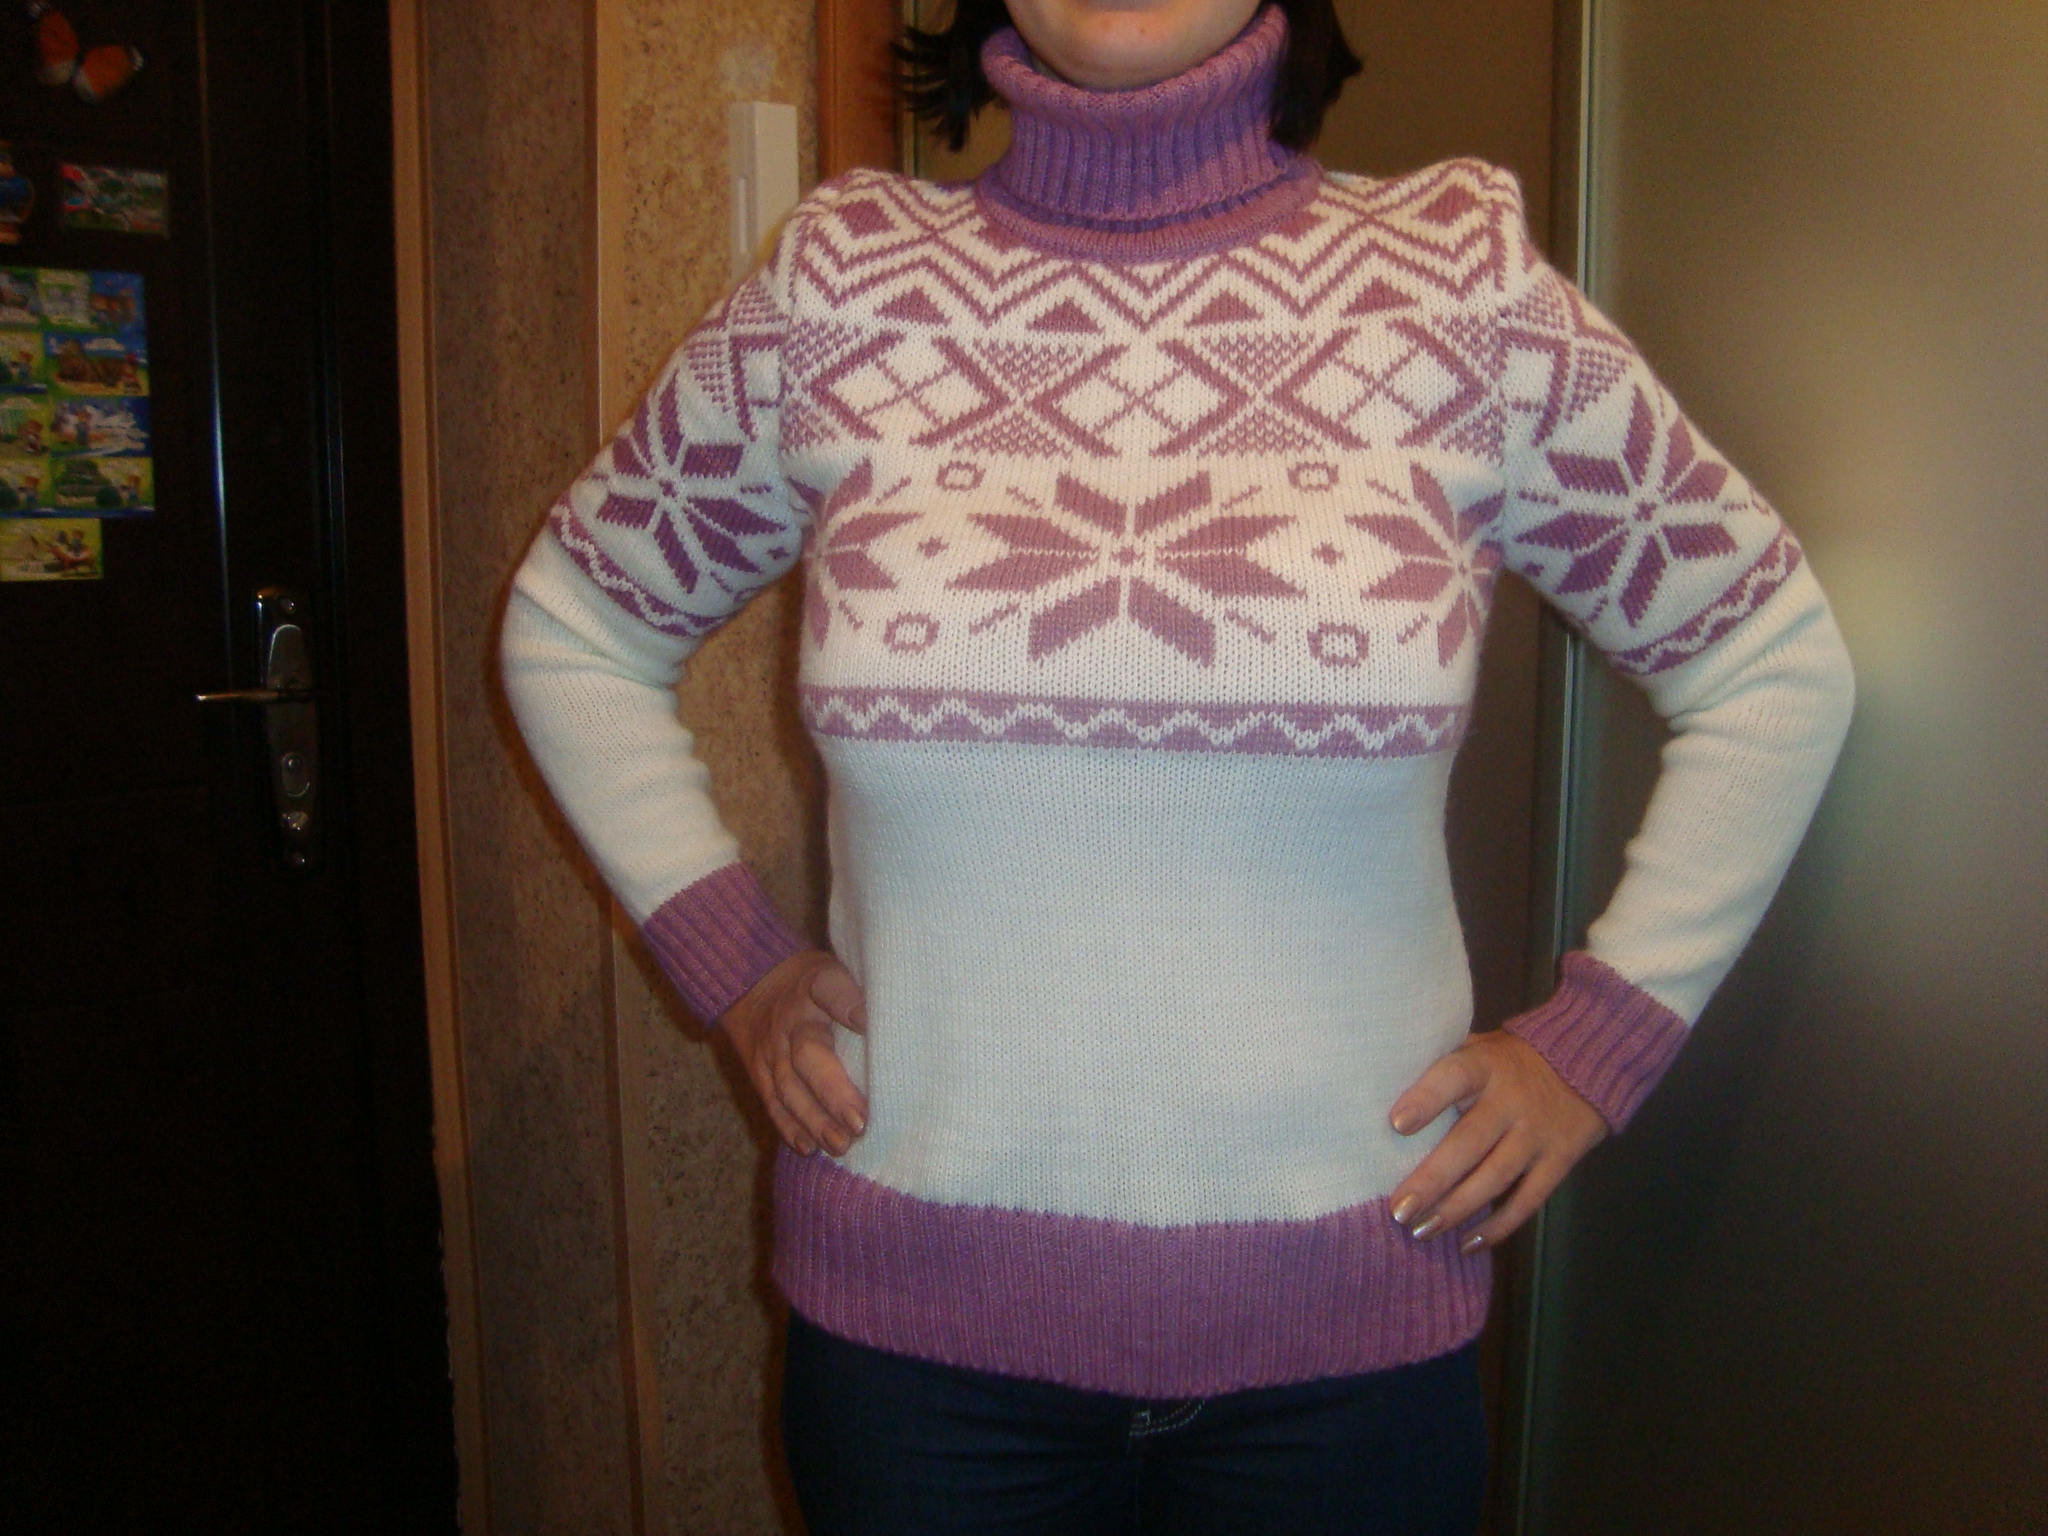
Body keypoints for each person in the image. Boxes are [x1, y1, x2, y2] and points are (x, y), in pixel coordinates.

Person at [500, 1, 1855, 1529]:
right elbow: (574, 630)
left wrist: (1598, 1043)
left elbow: (1770, 665)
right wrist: (732, 960)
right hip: (918, 1366)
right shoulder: (841, 290)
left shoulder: (1456, 293)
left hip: (1346, 1362)